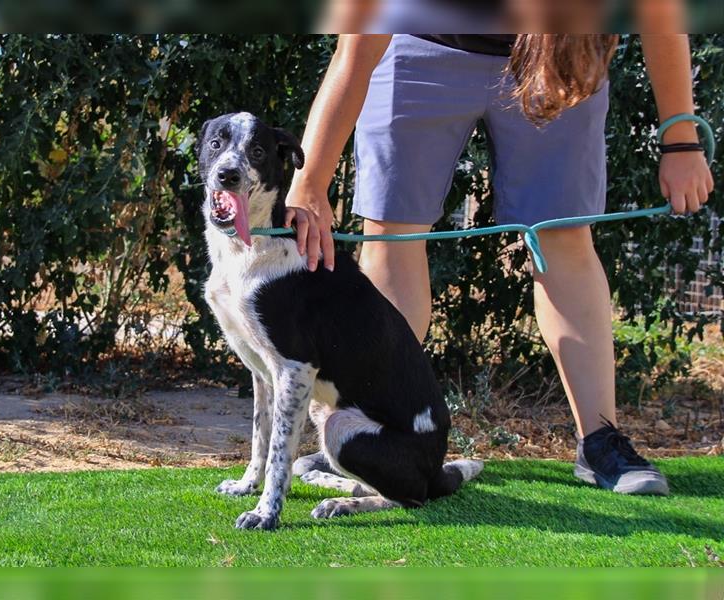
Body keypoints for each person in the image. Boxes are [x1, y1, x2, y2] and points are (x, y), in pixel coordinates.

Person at [283, 30, 714, 495]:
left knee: (563, 236)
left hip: (557, 46)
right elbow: (358, 47)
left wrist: (681, 139)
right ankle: (374, 435)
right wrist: (310, 181)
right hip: (419, 44)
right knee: (391, 232)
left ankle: (600, 443)